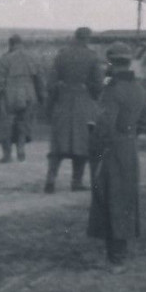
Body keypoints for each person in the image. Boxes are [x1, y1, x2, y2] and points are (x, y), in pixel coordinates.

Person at [87, 43, 146, 270]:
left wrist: (95, 146)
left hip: (110, 150)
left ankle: (116, 257)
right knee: (124, 199)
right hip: (129, 150)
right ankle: (119, 255)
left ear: (111, 63)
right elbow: (143, 123)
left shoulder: (112, 90)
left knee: (109, 198)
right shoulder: (140, 89)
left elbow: (104, 126)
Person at [44, 27, 104, 193]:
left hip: (62, 103)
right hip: (84, 104)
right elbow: (98, 86)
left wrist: (59, 90)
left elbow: (50, 85)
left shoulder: (61, 55)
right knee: (82, 144)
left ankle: (50, 179)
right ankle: (76, 182)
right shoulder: (92, 57)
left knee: (57, 145)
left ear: (75, 37)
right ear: (88, 39)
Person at [0, 34, 45, 162]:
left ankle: (7, 155)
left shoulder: (6, 58)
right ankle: (20, 150)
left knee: (5, 125)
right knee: (23, 124)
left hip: (10, 93)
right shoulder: (32, 58)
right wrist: (42, 96)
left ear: (11, 44)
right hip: (29, 94)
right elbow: (39, 79)